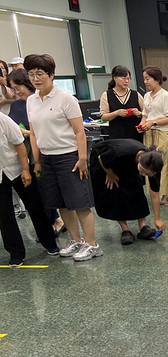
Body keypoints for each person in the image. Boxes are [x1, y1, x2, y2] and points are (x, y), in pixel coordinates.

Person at [25, 54, 101, 262]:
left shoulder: (66, 99)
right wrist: (37, 161)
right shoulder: (31, 101)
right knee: (62, 203)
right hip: (47, 158)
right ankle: (76, 240)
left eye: (40, 74)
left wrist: (82, 158)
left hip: (69, 156)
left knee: (80, 203)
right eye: (31, 74)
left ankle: (91, 244)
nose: (35, 79)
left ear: (51, 75)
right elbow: (33, 133)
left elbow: (79, 132)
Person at [7, 68, 66, 236]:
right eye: (13, 89)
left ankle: (56, 220)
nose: (17, 92)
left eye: (18, 87)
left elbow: (43, 129)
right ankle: (51, 223)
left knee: (46, 191)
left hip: (41, 152)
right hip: (24, 154)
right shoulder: (16, 105)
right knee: (35, 194)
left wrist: (25, 132)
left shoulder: (38, 101)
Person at [0, 111, 58, 266]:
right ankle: (16, 253)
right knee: (4, 214)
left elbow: (19, 144)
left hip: (17, 168)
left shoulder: (3, 120)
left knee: (35, 206)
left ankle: (50, 243)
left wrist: (25, 170)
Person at [91, 140, 165, 244]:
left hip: (126, 161)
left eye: (148, 174)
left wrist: (157, 219)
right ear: (139, 159)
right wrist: (110, 173)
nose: (144, 175)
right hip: (105, 162)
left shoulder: (154, 165)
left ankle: (143, 227)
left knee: (137, 188)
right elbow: (101, 158)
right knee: (115, 189)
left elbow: (155, 194)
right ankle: (125, 230)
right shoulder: (122, 152)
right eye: (142, 171)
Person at [137, 66, 168, 206]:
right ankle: (162, 193)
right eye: (144, 79)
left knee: (166, 163)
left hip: (162, 132)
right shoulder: (146, 96)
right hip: (149, 134)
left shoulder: (165, 96)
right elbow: (145, 115)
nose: (145, 82)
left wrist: (153, 123)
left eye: (148, 79)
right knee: (150, 164)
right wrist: (142, 125)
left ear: (157, 80)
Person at [100, 65, 143, 141]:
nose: (126, 81)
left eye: (128, 79)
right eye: (123, 78)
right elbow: (103, 117)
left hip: (136, 136)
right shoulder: (106, 95)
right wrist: (116, 113)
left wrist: (139, 113)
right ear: (114, 78)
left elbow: (146, 113)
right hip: (117, 137)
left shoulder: (136, 94)